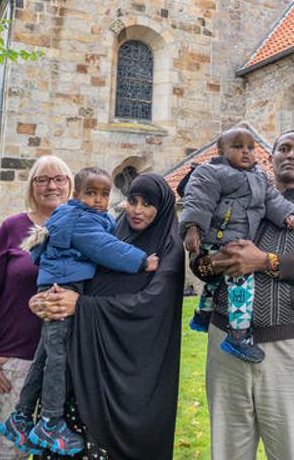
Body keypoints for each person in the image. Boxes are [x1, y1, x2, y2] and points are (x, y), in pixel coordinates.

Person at [201, 130, 294, 460]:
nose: (291, 155)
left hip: (288, 348)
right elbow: (200, 262)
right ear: (271, 157)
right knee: (228, 451)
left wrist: (267, 261)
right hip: (226, 344)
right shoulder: (235, 193)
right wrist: (213, 262)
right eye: (284, 148)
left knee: (291, 452)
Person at [1, 167, 158, 456]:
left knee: (46, 353)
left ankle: (21, 417)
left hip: (60, 283)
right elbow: (106, 248)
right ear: (76, 194)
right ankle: (50, 420)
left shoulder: (83, 216)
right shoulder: (79, 219)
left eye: (104, 195)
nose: (98, 200)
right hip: (65, 285)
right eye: (91, 193)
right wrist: (141, 262)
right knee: (58, 356)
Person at [29, 173, 184, 460]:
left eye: (147, 204)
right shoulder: (111, 234)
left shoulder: (169, 249)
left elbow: (150, 305)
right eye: (132, 201)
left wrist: (83, 307)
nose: (137, 210)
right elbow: (73, 276)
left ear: (161, 208)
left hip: (131, 373)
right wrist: (42, 300)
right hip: (82, 363)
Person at [0, 155, 73, 460]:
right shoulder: (12, 228)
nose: (51, 186)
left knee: (58, 449)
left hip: (68, 358)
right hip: (16, 356)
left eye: (59, 179)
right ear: (31, 186)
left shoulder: (85, 227)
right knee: (12, 448)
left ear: (70, 184)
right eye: (42, 179)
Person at [181, 124, 294, 363]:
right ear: (221, 151)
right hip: (218, 239)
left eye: (250, 148)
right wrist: (192, 227)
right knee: (242, 284)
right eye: (237, 147)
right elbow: (198, 200)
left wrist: (287, 214)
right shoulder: (211, 172)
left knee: (215, 282)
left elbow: (272, 199)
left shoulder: (259, 177)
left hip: (238, 239)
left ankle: (202, 315)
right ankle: (238, 335)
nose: (246, 152)